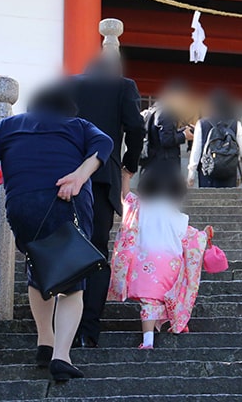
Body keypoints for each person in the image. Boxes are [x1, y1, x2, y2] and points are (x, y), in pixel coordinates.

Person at [0, 87, 114, 382]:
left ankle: (44, 343)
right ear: (67, 109)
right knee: (73, 278)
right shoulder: (78, 125)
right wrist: (81, 175)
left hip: (21, 207)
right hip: (65, 201)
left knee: (38, 266)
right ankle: (61, 355)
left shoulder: (8, 125)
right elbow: (105, 143)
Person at [68, 55, 146, 349]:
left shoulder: (67, 85)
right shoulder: (123, 86)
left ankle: (62, 327)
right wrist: (129, 164)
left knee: (67, 245)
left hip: (66, 176)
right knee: (97, 249)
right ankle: (89, 328)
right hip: (102, 178)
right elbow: (136, 127)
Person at [108, 169, 214, 349]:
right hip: (170, 264)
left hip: (144, 262)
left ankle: (148, 340)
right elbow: (190, 238)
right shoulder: (178, 216)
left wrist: (125, 178)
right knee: (170, 294)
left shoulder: (140, 207)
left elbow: (125, 198)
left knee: (149, 301)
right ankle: (176, 321)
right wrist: (205, 236)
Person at [187, 90, 242, 188]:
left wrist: (190, 176)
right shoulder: (236, 124)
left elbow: (196, 152)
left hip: (207, 175)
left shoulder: (202, 124)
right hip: (229, 176)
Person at [140, 81, 195, 175]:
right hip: (164, 167)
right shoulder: (166, 113)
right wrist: (184, 135)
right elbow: (166, 140)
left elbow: (160, 134)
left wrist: (182, 131)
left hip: (151, 163)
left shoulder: (153, 109)